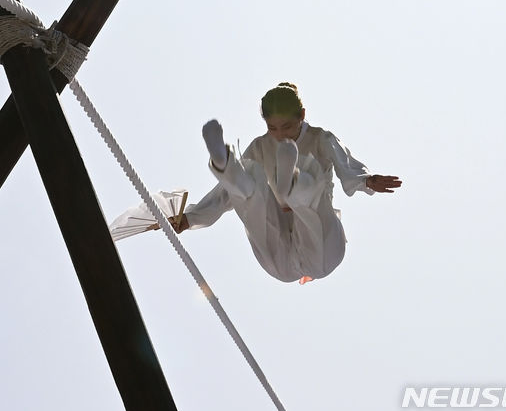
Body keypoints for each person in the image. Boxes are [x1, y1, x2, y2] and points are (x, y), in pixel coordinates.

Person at [169, 82, 402, 284]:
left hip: (321, 245)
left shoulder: (320, 138)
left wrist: (367, 181)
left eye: (287, 127)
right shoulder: (261, 145)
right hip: (280, 261)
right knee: (248, 186)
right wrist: (191, 218)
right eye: (272, 128)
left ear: (302, 115)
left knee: (309, 197)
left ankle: (292, 182)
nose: (280, 135)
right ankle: (224, 162)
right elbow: (226, 193)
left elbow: (345, 164)